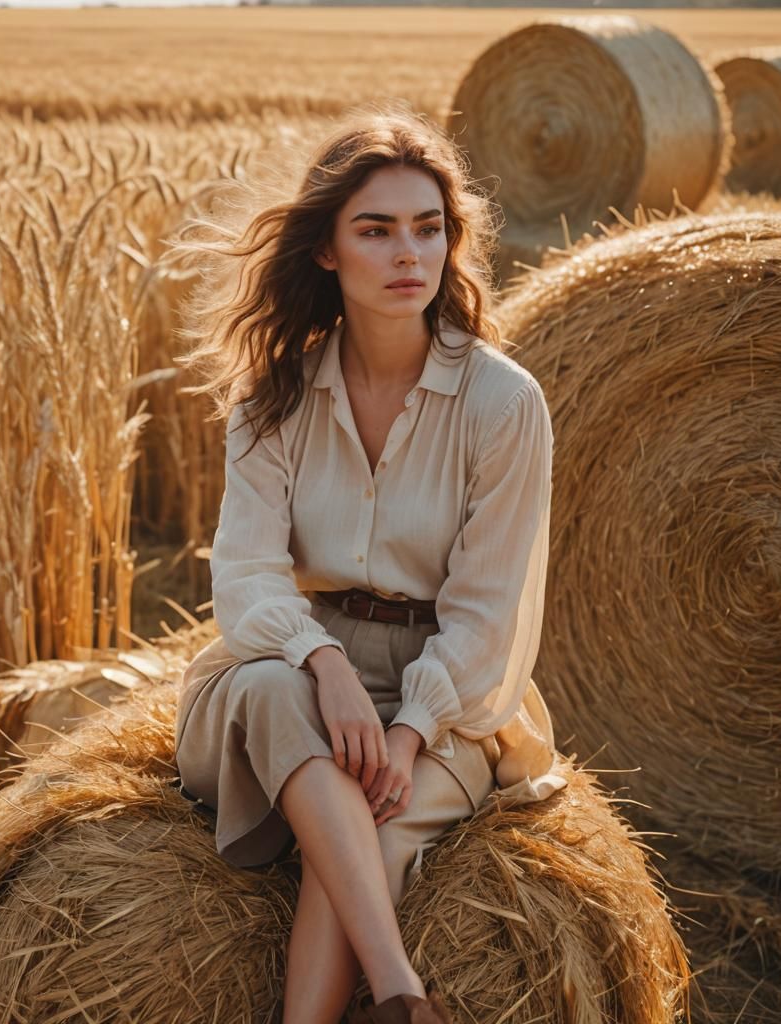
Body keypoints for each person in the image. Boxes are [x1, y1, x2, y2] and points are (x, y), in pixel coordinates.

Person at [167, 101, 571, 1024]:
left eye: (429, 230)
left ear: (451, 244)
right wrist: (325, 663)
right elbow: (247, 576)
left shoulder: (505, 406)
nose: (408, 255)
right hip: (291, 668)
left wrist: (411, 727)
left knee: (363, 836)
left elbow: (487, 611)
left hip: (448, 689)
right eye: (377, 230)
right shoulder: (272, 398)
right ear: (326, 251)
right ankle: (402, 994)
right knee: (273, 693)